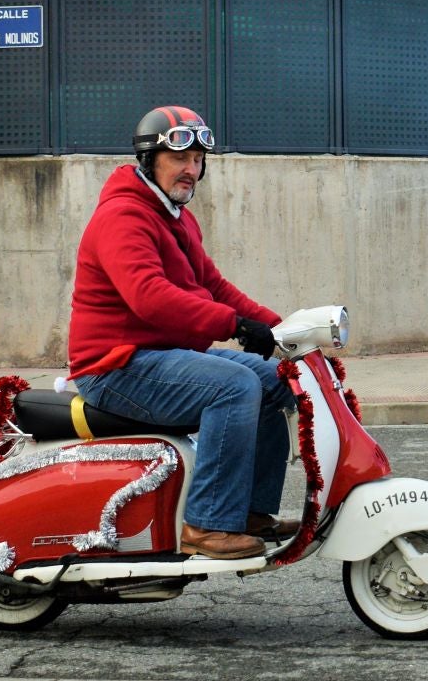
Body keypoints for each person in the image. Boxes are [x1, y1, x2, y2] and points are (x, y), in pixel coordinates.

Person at [67, 106, 298, 560]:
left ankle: (247, 511)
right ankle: (206, 523)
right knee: (235, 386)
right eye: (179, 159)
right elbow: (149, 297)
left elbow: (213, 286)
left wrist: (282, 329)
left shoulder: (176, 215)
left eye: (197, 160)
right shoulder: (123, 216)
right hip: (115, 366)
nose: (191, 169)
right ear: (149, 160)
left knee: (275, 380)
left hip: (159, 354)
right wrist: (233, 326)